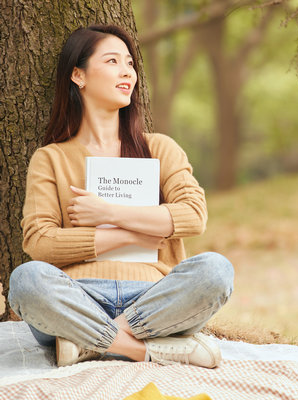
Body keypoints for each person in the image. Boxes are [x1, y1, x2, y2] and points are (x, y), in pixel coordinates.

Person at [7, 25, 234, 368]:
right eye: (112, 61)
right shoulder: (50, 158)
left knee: (216, 270)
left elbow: (193, 216)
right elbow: (39, 242)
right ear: (78, 75)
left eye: (129, 63)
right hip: (78, 298)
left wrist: (108, 212)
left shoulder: (159, 148)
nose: (127, 71)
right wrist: (136, 233)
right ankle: (145, 350)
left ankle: (91, 341)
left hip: (155, 299)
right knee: (26, 281)